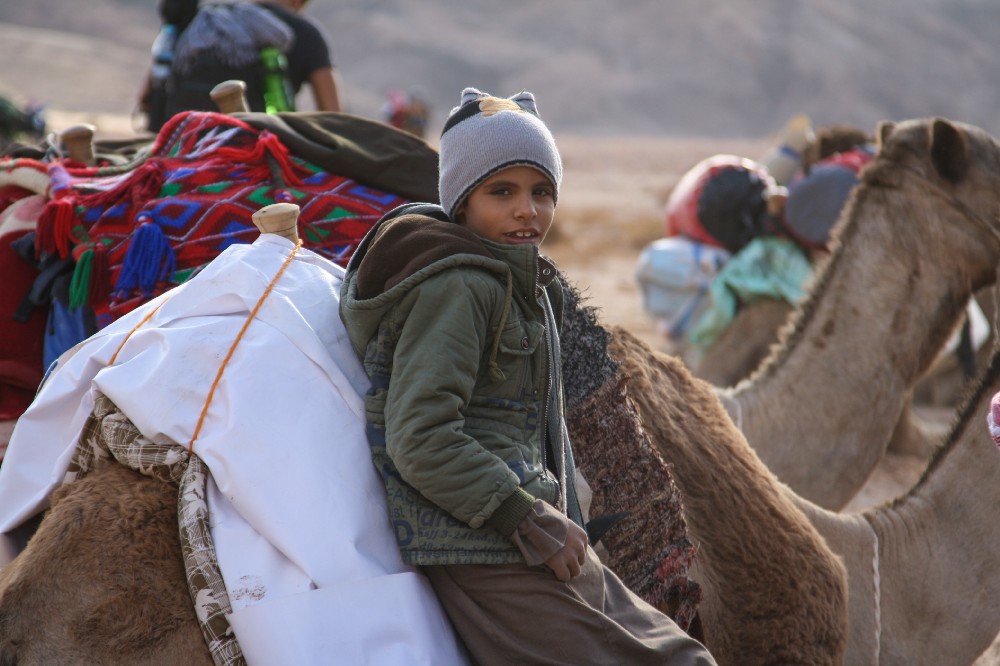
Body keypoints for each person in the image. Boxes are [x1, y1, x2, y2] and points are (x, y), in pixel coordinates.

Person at [340, 87, 716, 665]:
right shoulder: (461, 289)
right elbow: (419, 436)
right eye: (502, 192)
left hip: (525, 526)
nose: (527, 210)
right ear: (462, 202)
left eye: (541, 192)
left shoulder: (522, 287)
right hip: (476, 540)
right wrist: (525, 516)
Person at [139, 0, 341, 132]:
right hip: (257, 151)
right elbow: (332, 117)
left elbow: (145, 98)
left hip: (173, 149)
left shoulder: (198, 24)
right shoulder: (304, 33)